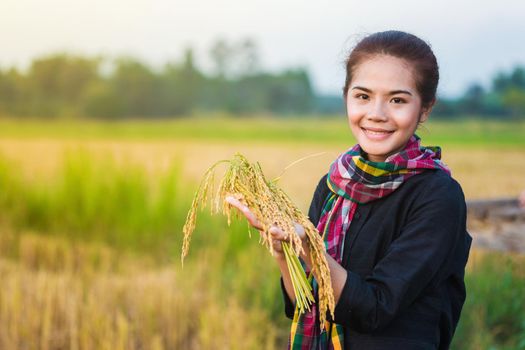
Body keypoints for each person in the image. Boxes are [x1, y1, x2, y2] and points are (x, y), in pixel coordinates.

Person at [226, 30, 472, 350]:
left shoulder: (438, 196)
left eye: (397, 100)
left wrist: (310, 247)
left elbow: (375, 307)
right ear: (346, 97)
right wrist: (285, 250)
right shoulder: (333, 185)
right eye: (363, 96)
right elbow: (303, 301)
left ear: (425, 108)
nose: (376, 114)